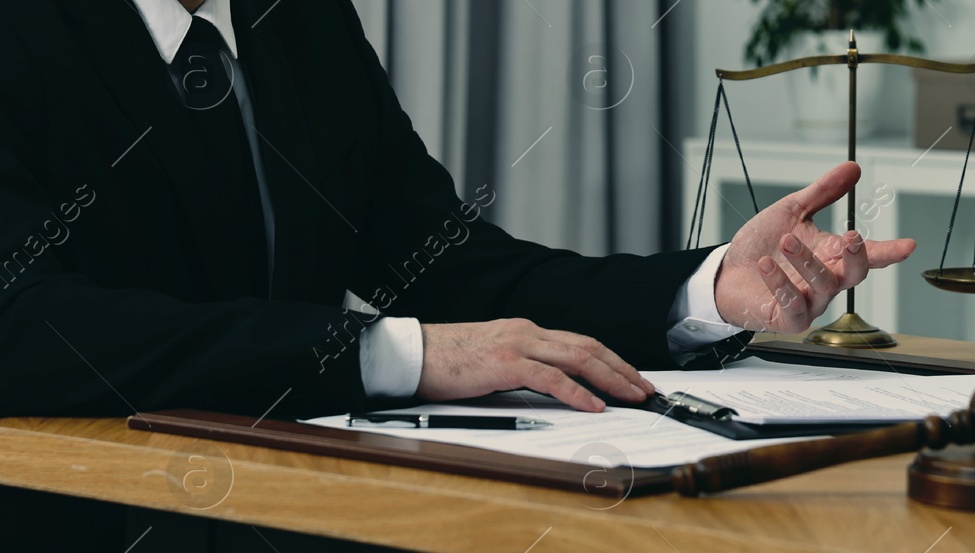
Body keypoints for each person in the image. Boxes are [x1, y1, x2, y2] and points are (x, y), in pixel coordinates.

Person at [0, 0, 915, 419]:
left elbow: (445, 265)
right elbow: (26, 326)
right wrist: (390, 352)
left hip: (305, 494)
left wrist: (705, 288)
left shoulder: (303, 22)